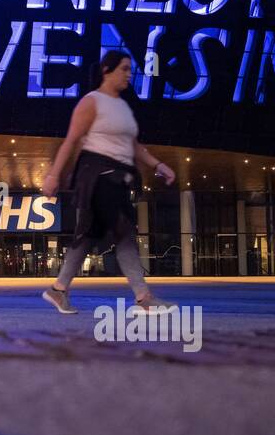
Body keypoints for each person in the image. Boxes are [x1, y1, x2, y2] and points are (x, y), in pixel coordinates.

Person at [38, 50, 178, 314]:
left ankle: (58, 290)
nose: (129, 74)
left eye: (129, 69)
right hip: (99, 177)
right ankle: (143, 297)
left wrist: (159, 165)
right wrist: (53, 175)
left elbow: (134, 146)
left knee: (88, 235)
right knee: (124, 232)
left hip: (118, 178)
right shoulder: (91, 102)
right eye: (124, 68)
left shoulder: (123, 107)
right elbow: (71, 140)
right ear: (107, 70)